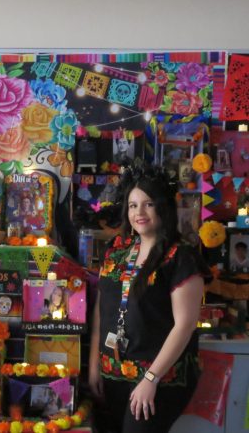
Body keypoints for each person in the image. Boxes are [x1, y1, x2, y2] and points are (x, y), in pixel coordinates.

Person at [88, 163, 209, 433]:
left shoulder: (181, 258)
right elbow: (101, 308)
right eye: (132, 205)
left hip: (160, 378)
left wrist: (151, 379)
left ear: (163, 208)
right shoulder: (116, 250)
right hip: (111, 373)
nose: (139, 213)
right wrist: (94, 365)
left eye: (148, 204)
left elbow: (185, 325)